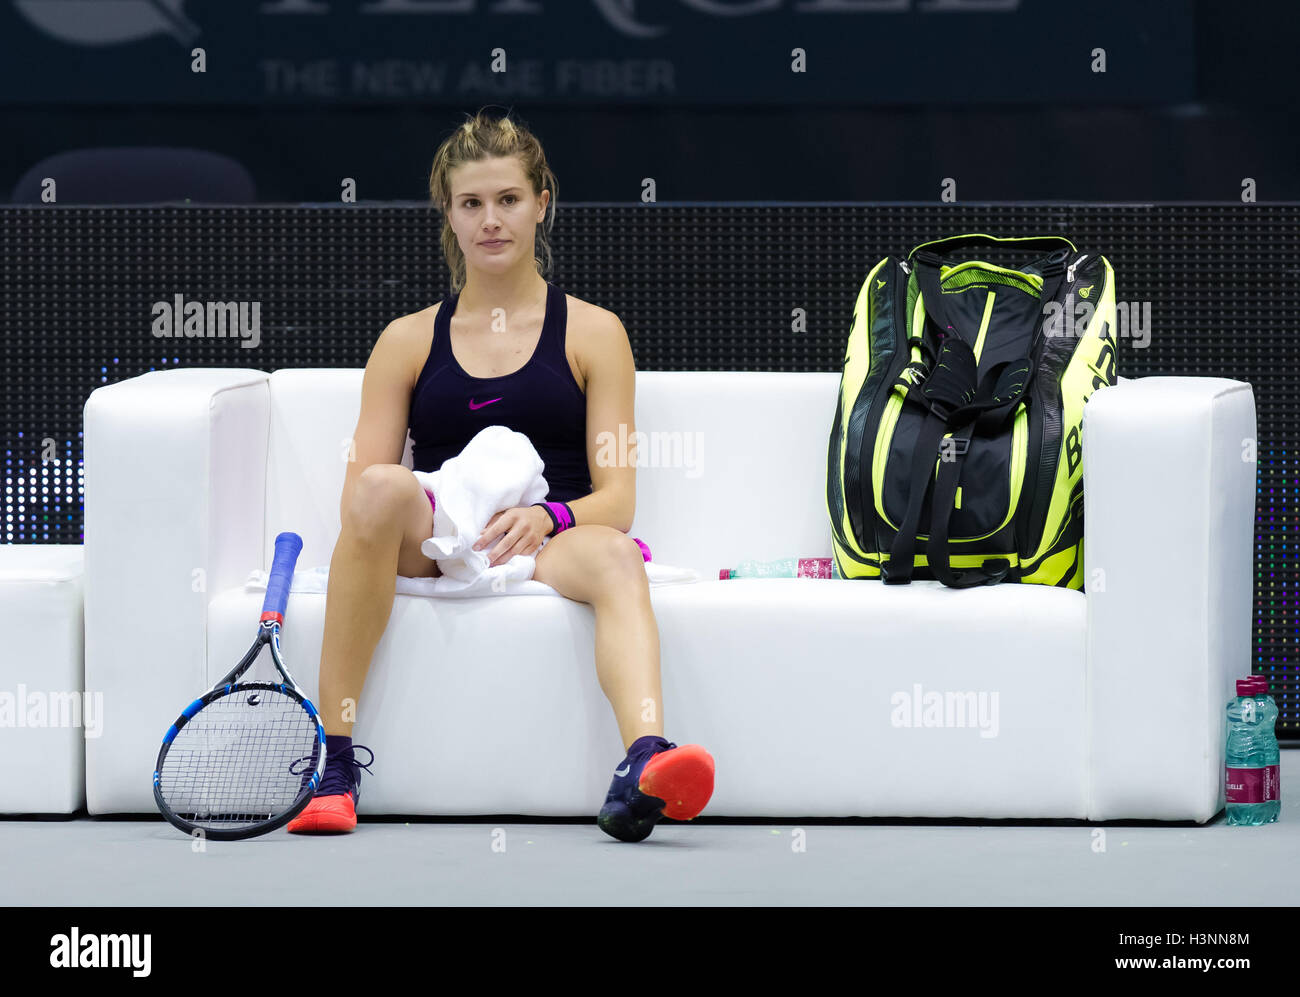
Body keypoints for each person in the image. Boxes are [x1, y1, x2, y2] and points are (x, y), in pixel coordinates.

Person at [288, 108, 715, 842]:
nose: (492, 220)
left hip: (550, 537)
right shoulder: (404, 340)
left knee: (615, 553)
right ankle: (333, 762)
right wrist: (451, 528)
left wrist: (550, 516)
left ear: (542, 204)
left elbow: (617, 499)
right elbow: (361, 496)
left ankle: (643, 761)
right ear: (448, 216)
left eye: (509, 199)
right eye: (472, 203)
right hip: (440, 530)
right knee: (381, 486)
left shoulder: (595, 332)